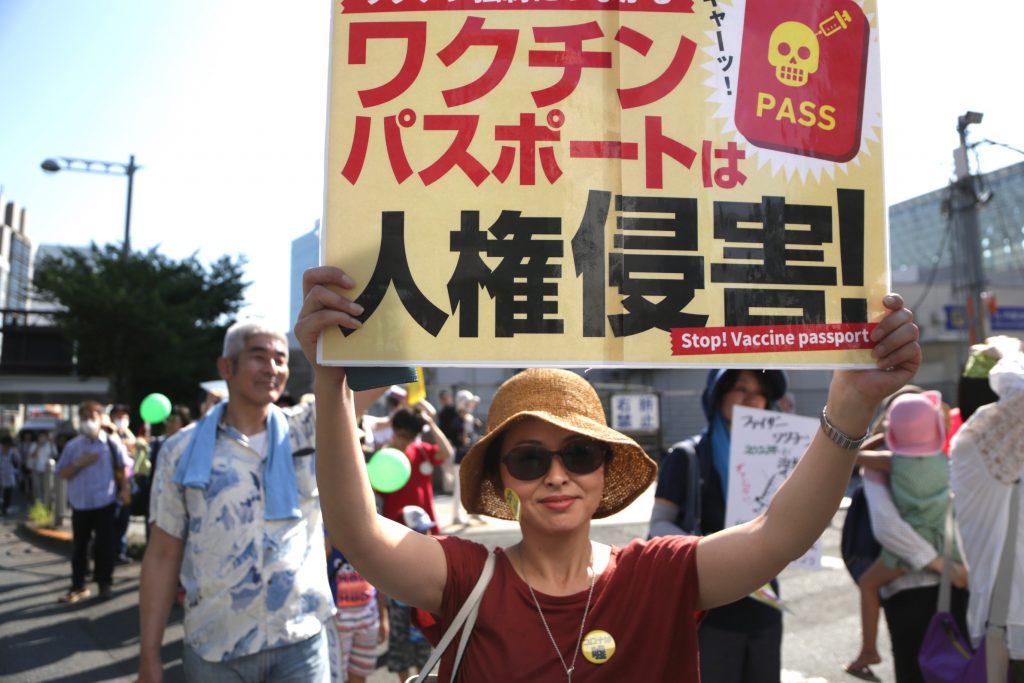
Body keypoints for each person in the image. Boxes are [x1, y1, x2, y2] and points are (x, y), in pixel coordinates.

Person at [294, 264, 921, 682]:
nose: (558, 475)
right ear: (506, 478)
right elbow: (358, 530)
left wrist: (849, 408)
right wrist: (331, 380)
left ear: (604, 469)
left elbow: (777, 536)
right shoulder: (468, 575)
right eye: (531, 458)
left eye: (581, 454)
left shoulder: (658, 574)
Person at [139, 321, 338, 683]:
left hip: (300, 639)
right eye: (259, 356)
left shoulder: (307, 428)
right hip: (217, 647)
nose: (272, 369)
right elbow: (162, 552)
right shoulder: (179, 450)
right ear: (226, 367)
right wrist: (149, 654)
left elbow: (374, 381)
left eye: (280, 359)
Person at [651, 368, 789, 683]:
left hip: (765, 603)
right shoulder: (688, 456)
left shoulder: (779, 456)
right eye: (740, 387)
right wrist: (711, 549)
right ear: (717, 395)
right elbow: (658, 525)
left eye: (760, 391)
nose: (751, 398)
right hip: (709, 609)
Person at [844, 391, 966, 681]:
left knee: (868, 584)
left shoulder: (889, 463)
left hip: (904, 560)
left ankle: (868, 649)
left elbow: (851, 456)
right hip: (947, 551)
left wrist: (883, 436)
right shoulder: (944, 460)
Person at [951, 339, 1024, 681]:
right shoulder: (976, 444)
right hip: (1009, 627)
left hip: (997, 620)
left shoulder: (971, 449)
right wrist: (1010, 355)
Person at [54, 400, 131, 603]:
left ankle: (105, 583)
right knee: (80, 546)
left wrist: (124, 489)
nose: (88, 422)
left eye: (92, 418)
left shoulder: (112, 443)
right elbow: (61, 472)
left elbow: (124, 469)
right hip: (80, 504)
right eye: (84, 418)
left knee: (105, 546)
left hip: (105, 502)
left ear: (100, 419)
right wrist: (80, 463)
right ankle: (78, 584)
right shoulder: (73, 446)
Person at [380, 406, 453, 529]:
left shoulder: (421, 451)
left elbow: (447, 452)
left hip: (423, 522)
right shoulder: (383, 457)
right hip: (394, 524)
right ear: (395, 431)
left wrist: (431, 423)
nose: (406, 441)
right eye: (403, 435)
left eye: (411, 437)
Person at [327, 536, 388, 683]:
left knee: (359, 674)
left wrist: (383, 617)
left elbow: (379, 580)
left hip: (368, 616)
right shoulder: (328, 535)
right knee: (336, 676)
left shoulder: (369, 536)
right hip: (337, 619)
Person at [108, 404, 136, 564]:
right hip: (111, 484)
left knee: (124, 518)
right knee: (110, 519)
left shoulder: (129, 435)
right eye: (118, 416)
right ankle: (108, 551)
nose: (121, 420)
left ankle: (120, 551)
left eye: (124, 416)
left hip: (127, 483)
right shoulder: (108, 436)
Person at [1, 433, 19, 516]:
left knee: (8, 491)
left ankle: (6, 507)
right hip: (1, 473)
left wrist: (15, 455)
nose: (6, 448)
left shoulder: (13, 452)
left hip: (9, 474)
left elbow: (17, 463)